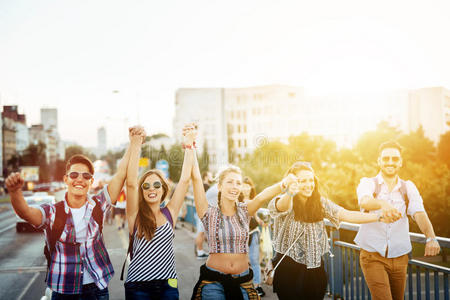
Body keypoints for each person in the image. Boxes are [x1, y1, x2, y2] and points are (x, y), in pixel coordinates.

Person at [6, 126, 142, 300]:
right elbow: (26, 213)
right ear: (66, 179)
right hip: (63, 291)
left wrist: (133, 143)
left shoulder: (98, 205)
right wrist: (15, 192)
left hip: (97, 289)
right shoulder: (53, 211)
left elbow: (121, 174)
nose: (80, 179)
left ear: (91, 181)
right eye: (74, 174)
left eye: (86, 176)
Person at [190, 128, 298, 300]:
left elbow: (263, 196)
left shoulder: (245, 210)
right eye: (230, 182)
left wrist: (283, 184)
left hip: (243, 282)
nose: (234, 187)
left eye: (238, 183)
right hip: (213, 283)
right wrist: (190, 146)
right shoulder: (208, 212)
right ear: (219, 186)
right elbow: (195, 177)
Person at [268, 161, 401, 300]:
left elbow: (347, 214)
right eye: (302, 181)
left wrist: (379, 217)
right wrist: (289, 193)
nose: (308, 185)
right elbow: (282, 206)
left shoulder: (320, 203)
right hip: (288, 268)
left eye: (311, 180)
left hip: (314, 268)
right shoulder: (284, 200)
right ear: (292, 182)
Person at [354, 141, 441, 300]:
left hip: (400, 257)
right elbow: (364, 201)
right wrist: (382, 203)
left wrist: (431, 237)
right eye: (386, 158)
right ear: (379, 161)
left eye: (394, 159)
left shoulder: (408, 187)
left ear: (400, 162)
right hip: (373, 256)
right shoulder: (368, 183)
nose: (390, 162)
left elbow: (419, 213)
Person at [123, 124, 195, 299]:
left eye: (156, 185)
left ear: (163, 189)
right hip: (138, 285)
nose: (151, 189)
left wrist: (189, 145)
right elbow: (131, 182)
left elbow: (185, 180)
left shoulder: (170, 213)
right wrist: (135, 144)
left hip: (168, 285)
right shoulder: (135, 215)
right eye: (146, 186)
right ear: (142, 191)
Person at [241, 176, 266, 297]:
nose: (246, 189)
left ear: (251, 188)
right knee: (243, 261)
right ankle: (245, 286)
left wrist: (262, 222)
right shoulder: (237, 201)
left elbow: (255, 217)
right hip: (242, 235)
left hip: (254, 233)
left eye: (248, 186)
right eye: (244, 186)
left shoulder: (253, 200)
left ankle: (257, 286)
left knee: (255, 260)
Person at [194, 171, 214, 259]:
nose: (212, 177)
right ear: (206, 177)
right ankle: (199, 252)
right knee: (201, 232)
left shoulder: (202, 185)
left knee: (201, 232)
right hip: (203, 212)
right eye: (210, 175)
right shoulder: (206, 186)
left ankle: (200, 251)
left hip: (201, 211)